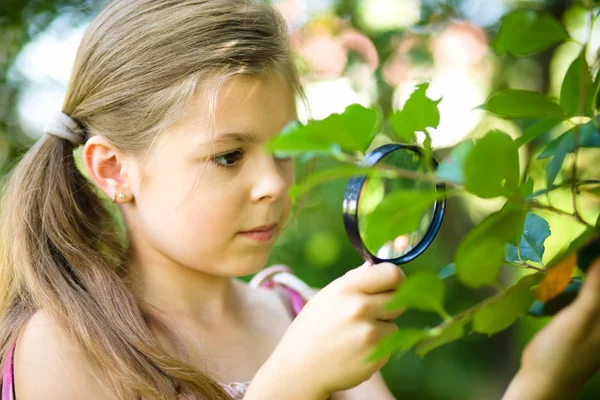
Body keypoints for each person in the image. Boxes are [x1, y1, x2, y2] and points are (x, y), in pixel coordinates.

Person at [0, 1, 599, 399]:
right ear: (114, 170)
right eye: (228, 156)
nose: (275, 184)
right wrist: (290, 383)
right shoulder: (69, 343)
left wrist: (541, 381)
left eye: (283, 151)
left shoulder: (296, 311)